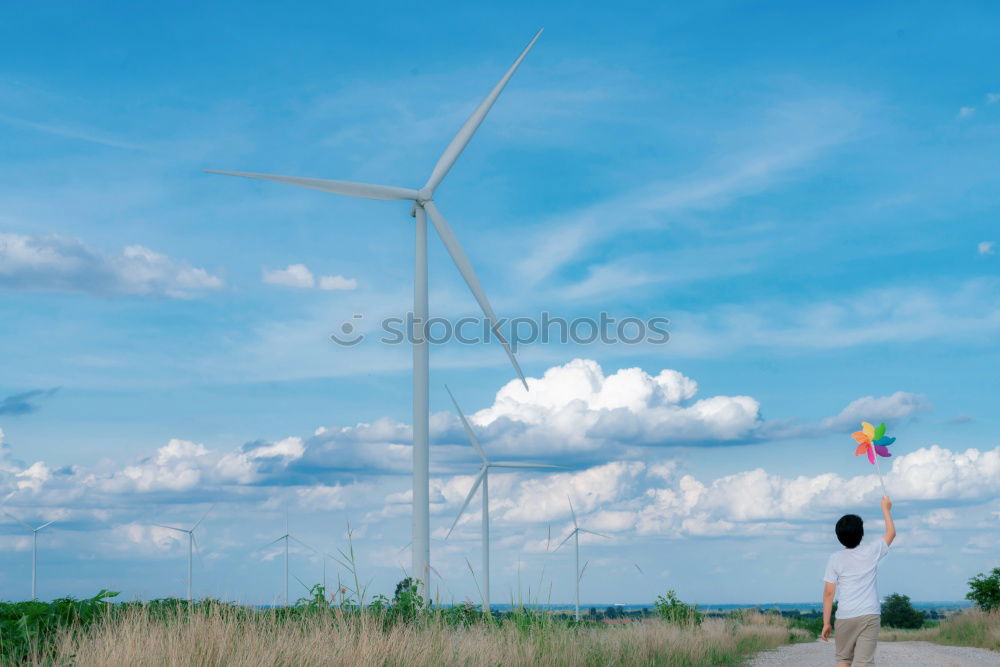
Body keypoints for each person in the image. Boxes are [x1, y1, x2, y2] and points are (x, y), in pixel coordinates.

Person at [820, 495, 896, 667]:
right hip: (869, 614)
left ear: (838, 537)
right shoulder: (871, 551)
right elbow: (891, 533)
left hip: (845, 616)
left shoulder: (835, 559)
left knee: (843, 660)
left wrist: (826, 623)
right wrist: (886, 508)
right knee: (864, 662)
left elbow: (828, 594)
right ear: (862, 533)